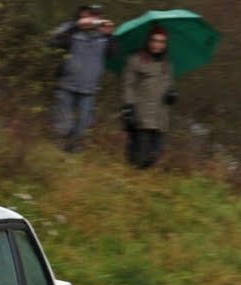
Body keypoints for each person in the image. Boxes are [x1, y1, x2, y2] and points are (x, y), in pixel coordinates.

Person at [48, 4, 117, 153]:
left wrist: (110, 35)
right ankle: (57, 150)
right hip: (67, 84)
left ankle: (73, 149)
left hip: (89, 88)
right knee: (63, 122)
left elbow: (112, 54)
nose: (93, 19)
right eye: (90, 15)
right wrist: (75, 26)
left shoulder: (103, 37)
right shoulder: (71, 31)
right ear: (82, 16)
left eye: (97, 15)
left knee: (83, 125)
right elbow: (53, 41)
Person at [121, 26, 177, 169]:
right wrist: (129, 107)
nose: (157, 44)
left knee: (156, 154)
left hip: (160, 119)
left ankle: (136, 176)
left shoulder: (167, 64)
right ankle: (132, 179)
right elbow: (128, 85)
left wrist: (172, 95)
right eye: (154, 40)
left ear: (165, 44)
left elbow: (170, 86)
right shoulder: (135, 60)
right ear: (148, 41)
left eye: (161, 41)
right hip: (141, 116)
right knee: (139, 158)